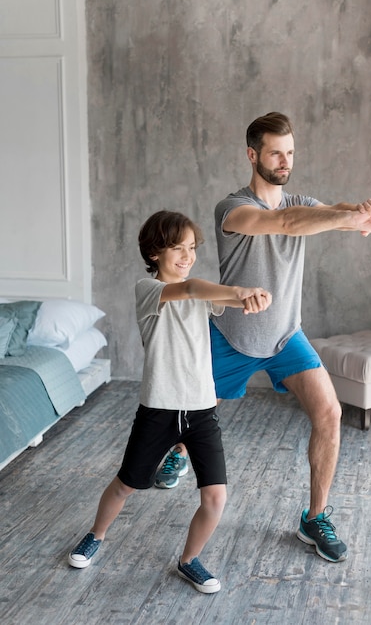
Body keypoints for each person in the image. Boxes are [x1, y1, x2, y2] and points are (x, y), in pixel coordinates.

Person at [157, 112, 371, 563]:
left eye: (290, 153)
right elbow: (289, 224)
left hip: (286, 337)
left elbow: (332, 214)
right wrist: (341, 216)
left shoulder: (301, 202)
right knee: (188, 408)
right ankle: (178, 451)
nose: (285, 161)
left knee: (330, 412)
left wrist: (367, 215)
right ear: (252, 155)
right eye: (275, 152)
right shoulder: (232, 209)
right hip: (231, 336)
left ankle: (315, 517)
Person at [67, 210, 271, 593]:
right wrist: (239, 292)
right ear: (155, 251)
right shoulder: (148, 290)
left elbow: (215, 296)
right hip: (158, 409)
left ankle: (189, 560)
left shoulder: (201, 293)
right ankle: (96, 534)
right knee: (125, 485)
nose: (187, 254)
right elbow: (191, 288)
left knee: (215, 497)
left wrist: (251, 296)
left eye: (192, 247)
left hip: (201, 410)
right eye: (177, 247)